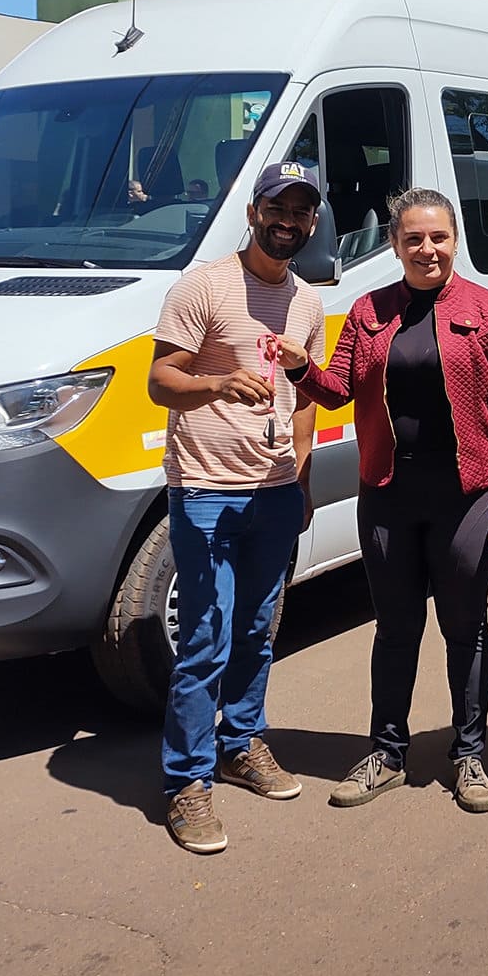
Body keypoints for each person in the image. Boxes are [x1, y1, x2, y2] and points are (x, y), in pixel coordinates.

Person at [276, 187, 488, 814]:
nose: (427, 249)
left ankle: (468, 752)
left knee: (464, 626)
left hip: (467, 493)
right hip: (389, 492)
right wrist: (299, 366)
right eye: (413, 238)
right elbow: (336, 390)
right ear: (394, 245)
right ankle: (387, 751)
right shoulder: (369, 311)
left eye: (438, 237)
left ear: (454, 241)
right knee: (394, 627)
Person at [146, 160, 329, 855]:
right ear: (253, 212)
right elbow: (160, 381)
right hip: (205, 489)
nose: (289, 221)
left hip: (276, 490)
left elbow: (306, 396)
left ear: (312, 222)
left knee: (258, 629)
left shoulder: (308, 303)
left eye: (302, 211)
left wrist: (303, 480)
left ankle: (242, 743)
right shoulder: (204, 287)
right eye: (277, 208)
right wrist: (221, 382)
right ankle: (187, 784)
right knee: (204, 641)